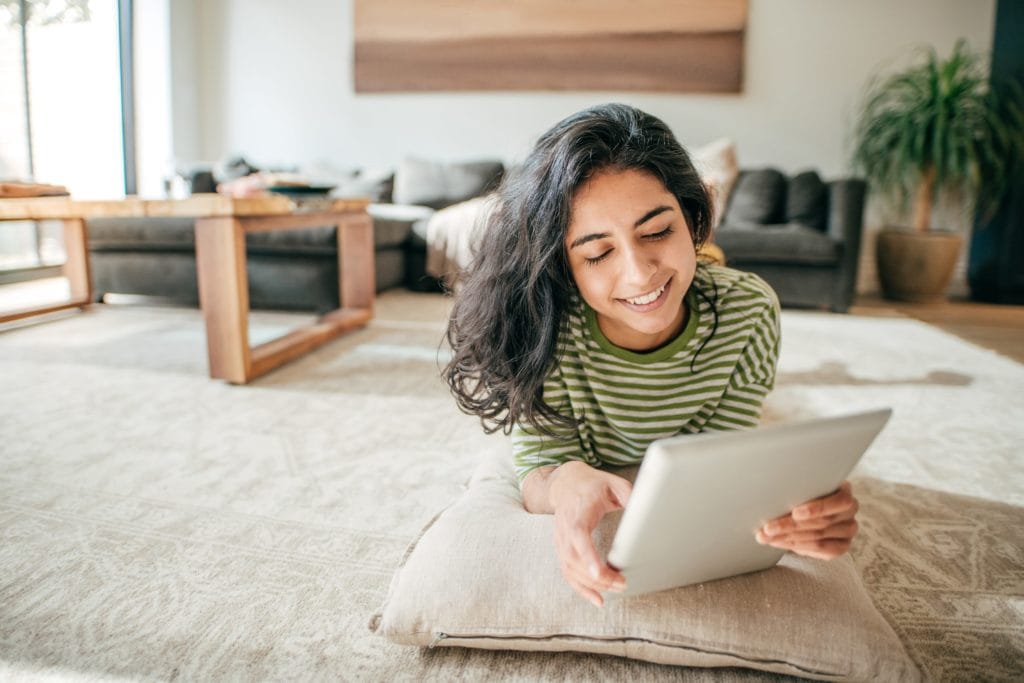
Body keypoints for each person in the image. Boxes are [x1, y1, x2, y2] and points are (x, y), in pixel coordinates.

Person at [444, 104, 860, 608]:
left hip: (708, 286)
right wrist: (564, 482)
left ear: (693, 216)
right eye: (597, 253)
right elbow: (540, 468)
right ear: (562, 264)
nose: (640, 275)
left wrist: (794, 506)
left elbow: (722, 454)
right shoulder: (542, 327)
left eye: (658, 231)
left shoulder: (747, 312)